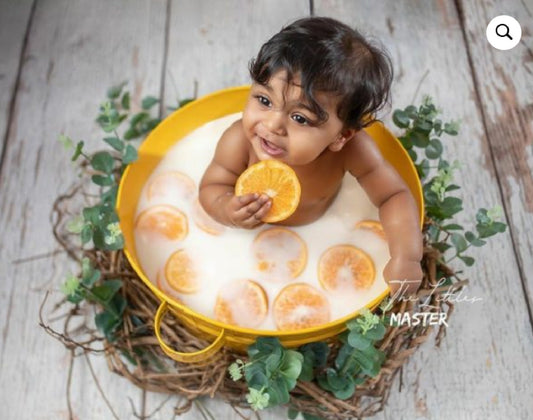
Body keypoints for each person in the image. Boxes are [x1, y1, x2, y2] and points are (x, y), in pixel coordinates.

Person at [199, 17, 423, 296]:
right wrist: (226, 209)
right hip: (249, 251)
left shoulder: (354, 151)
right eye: (264, 100)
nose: (272, 126)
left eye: (300, 118)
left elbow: (394, 196)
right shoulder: (239, 141)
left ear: (341, 136)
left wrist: (407, 256)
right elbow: (211, 187)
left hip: (323, 244)